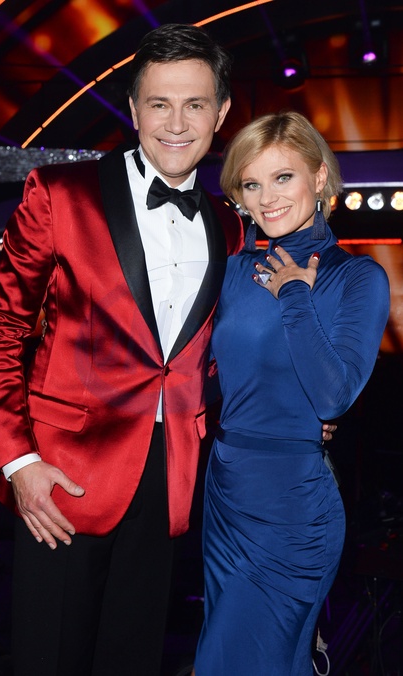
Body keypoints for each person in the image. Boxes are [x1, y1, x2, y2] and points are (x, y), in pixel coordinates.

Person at [0, 23, 242, 676]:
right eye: (159, 103)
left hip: (170, 479)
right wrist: (19, 463)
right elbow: (0, 329)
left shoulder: (231, 224)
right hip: (60, 481)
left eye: (195, 104)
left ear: (221, 114)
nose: (176, 123)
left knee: (133, 661)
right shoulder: (58, 194)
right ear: (133, 109)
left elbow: (221, 354)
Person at [192, 111, 390, 676]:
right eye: (252, 184)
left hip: (292, 505)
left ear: (319, 176)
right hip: (226, 491)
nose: (268, 198)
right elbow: (200, 379)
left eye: (283, 177)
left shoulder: (358, 279)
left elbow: (332, 397)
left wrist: (296, 297)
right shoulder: (231, 272)